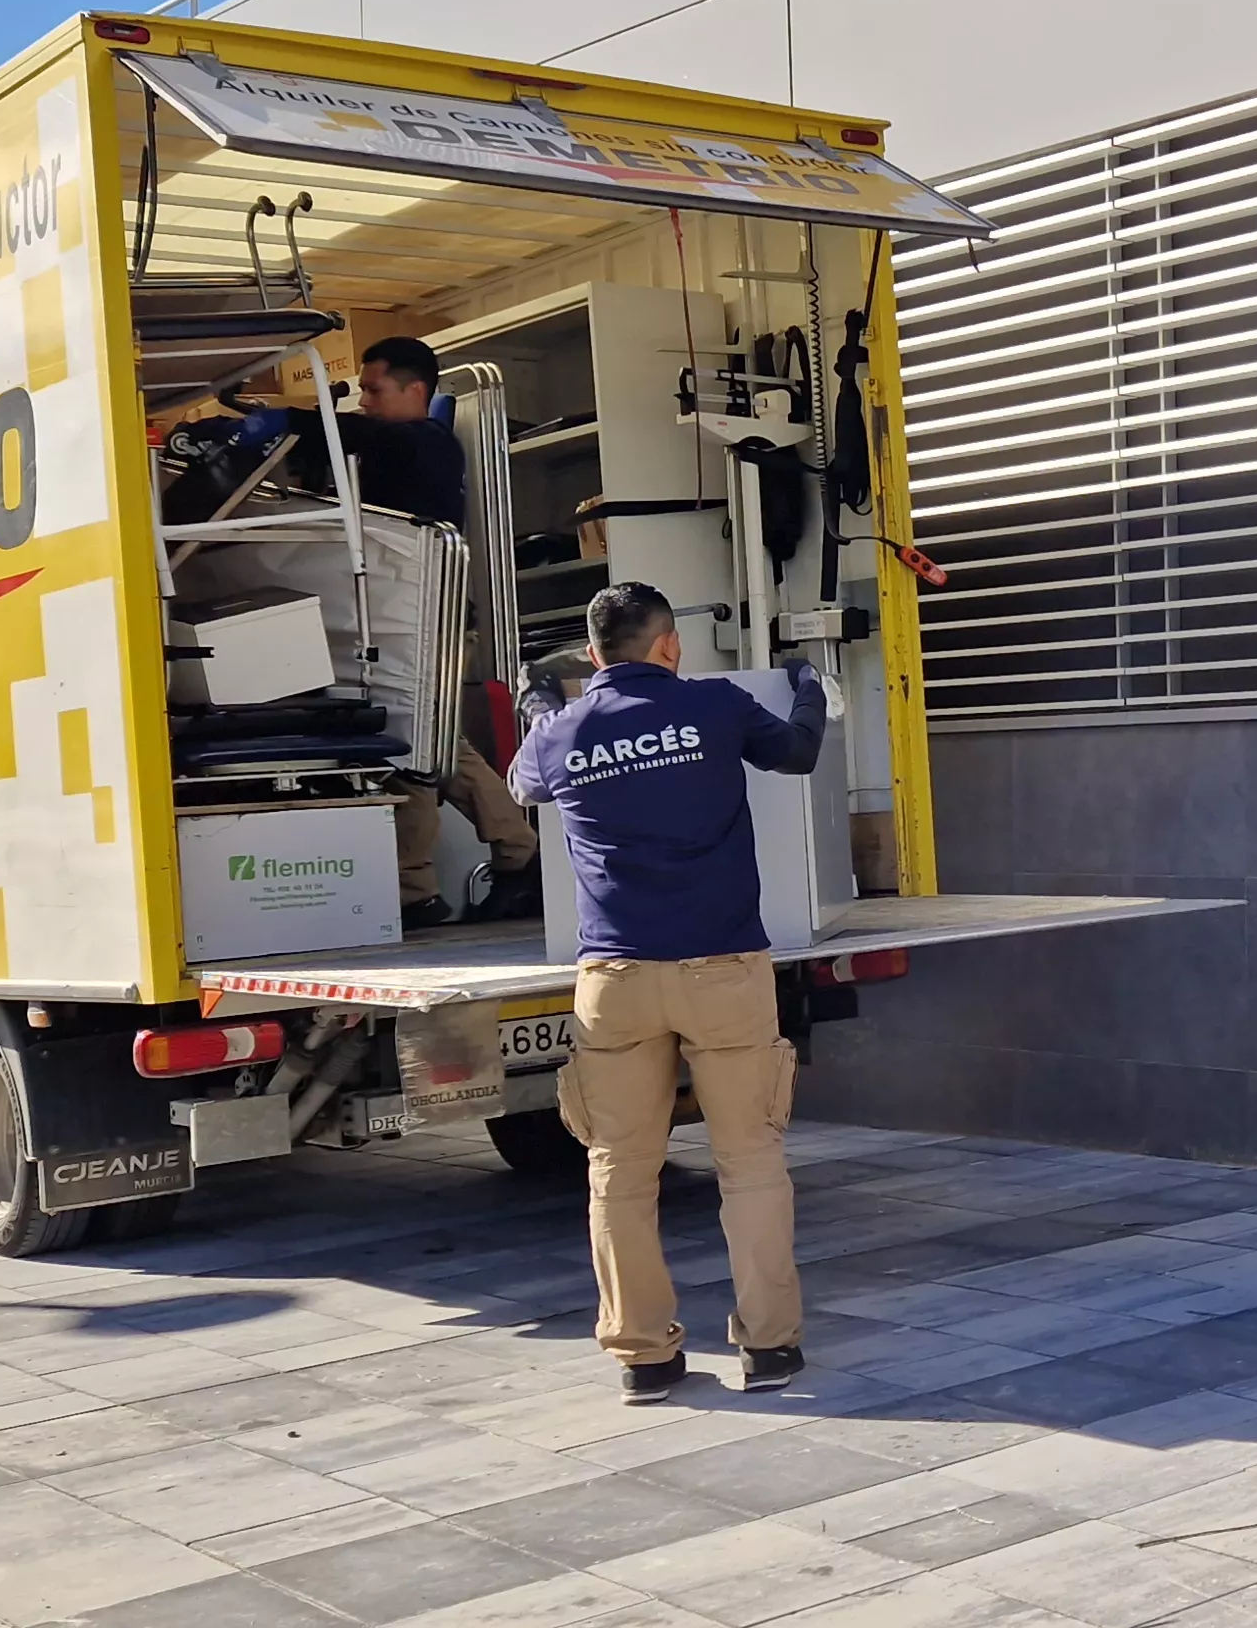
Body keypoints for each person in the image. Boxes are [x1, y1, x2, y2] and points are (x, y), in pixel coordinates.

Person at [504, 582, 830, 1402]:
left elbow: (522, 786)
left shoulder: (564, 732)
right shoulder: (716, 707)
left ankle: (644, 1356)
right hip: (723, 971)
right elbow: (797, 752)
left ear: (592, 653)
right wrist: (810, 687)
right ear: (669, 645)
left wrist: (541, 708)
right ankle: (771, 1348)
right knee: (750, 1161)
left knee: (619, 1169)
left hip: (615, 981)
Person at [245, 334, 543, 927]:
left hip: (426, 624)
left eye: (374, 390)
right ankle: (514, 862)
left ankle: (426, 888)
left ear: (416, 390)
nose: (365, 401)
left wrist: (288, 418)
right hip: (405, 622)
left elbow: (372, 436)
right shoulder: (395, 450)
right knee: (434, 746)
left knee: (412, 745)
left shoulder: (426, 443)